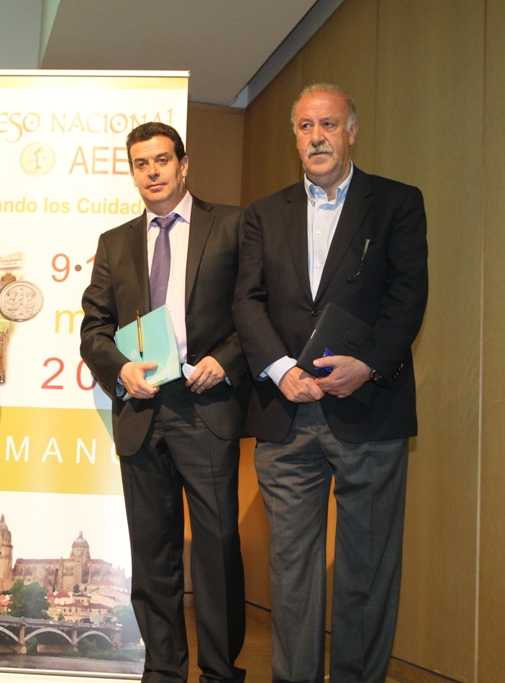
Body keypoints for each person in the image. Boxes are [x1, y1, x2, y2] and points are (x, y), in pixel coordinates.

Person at [232, 83, 428, 683]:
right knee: (292, 570)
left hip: (367, 409)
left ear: (351, 130)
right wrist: (281, 369)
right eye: (304, 126)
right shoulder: (264, 214)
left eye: (328, 124)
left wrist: (366, 365)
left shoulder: (397, 202)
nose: (316, 136)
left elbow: (407, 297)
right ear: (294, 135)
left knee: (366, 569)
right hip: (286, 416)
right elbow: (247, 301)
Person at [80, 122, 248, 683]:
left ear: (183, 164)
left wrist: (226, 358)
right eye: (139, 163)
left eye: (160, 161)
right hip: (142, 410)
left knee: (217, 550)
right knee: (153, 556)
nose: (151, 172)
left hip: (206, 406)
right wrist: (120, 370)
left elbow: (256, 310)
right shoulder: (115, 242)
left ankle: (222, 671)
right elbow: (94, 329)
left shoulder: (231, 226)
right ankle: (164, 670)